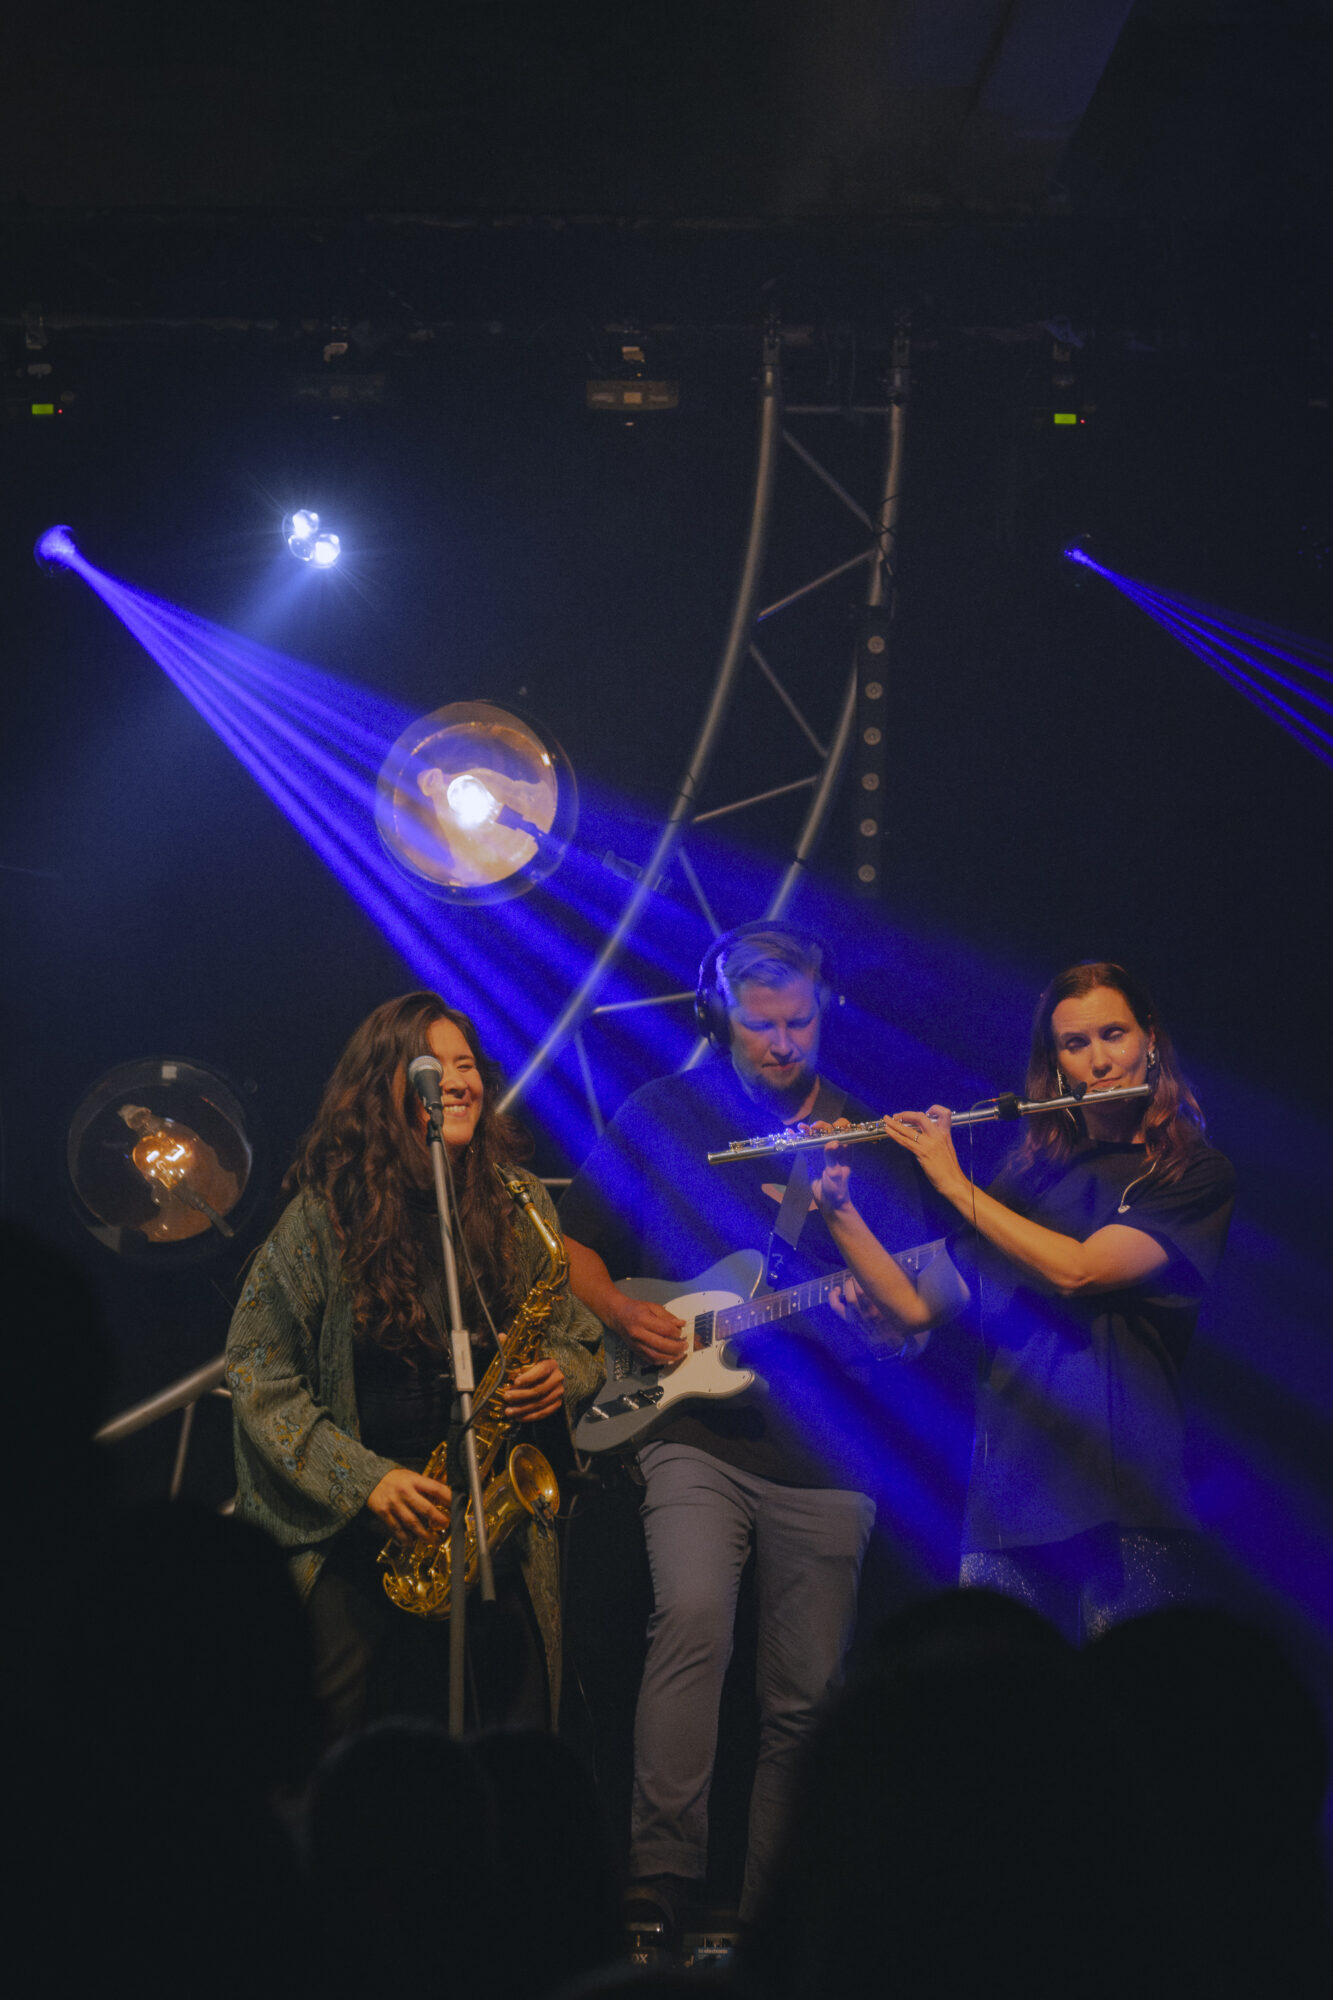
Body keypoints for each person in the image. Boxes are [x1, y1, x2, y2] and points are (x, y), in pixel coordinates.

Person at [558, 921, 942, 1927]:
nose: (780, 1042)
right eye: (758, 1022)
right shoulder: (664, 1109)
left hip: (829, 1446)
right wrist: (619, 1311)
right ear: (716, 1015)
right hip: (693, 1432)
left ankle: (772, 1916)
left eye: (798, 1022)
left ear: (824, 1012)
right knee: (690, 1615)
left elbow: (912, 1314)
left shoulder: (866, 1137)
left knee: (805, 1691)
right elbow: (569, 1248)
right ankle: (657, 1883)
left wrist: (870, 1306)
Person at [819, 959, 1235, 1643]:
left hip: (1125, 1497)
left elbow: (1080, 1271)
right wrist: (836, 1206)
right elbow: (917, 1307)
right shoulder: (1027, 1183)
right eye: (1075, 1044)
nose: (1099, 1060)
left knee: (1127, 1697)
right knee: (999, 1700)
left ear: (1149, 1040)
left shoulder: (1190, 1174)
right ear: (1056, 1063)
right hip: (1009, 1494)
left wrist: (954, 1185)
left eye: (1113, 1034)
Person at [226, 991, 604, 1736]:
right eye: (433, 1067)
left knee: (515, 1741)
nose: (457, 1082)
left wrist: (563, 1373)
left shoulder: (520, 1202)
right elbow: (257, 1372)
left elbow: (579, 1335)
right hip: (367, 1525)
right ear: (383, 1089)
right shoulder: (325, 1215)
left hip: (491, 1517)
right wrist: (367, 1482)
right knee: (349, 1744)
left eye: (467, 1065)